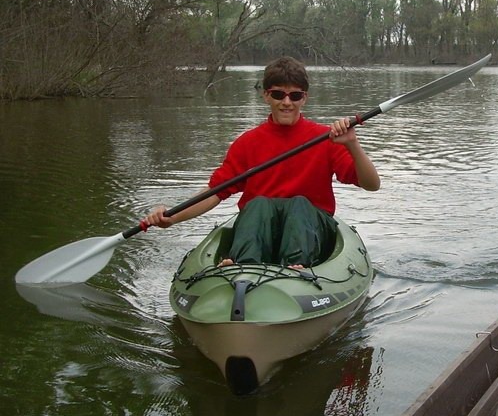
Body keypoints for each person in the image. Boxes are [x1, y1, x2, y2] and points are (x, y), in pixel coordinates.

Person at [145, 56, 381, 268]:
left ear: (304, 99)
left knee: (299, 203)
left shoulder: (327, 138)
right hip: (261, 228)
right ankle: (243, 265)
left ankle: (298, 266)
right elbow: (214, 193)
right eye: (278, 94)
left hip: (311, 229)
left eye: (295, 95)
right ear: (266, 96)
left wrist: (352, 144)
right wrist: (172, 217)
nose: (286, 102)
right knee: (258, 204)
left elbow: (372, 184)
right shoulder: (247, 143)